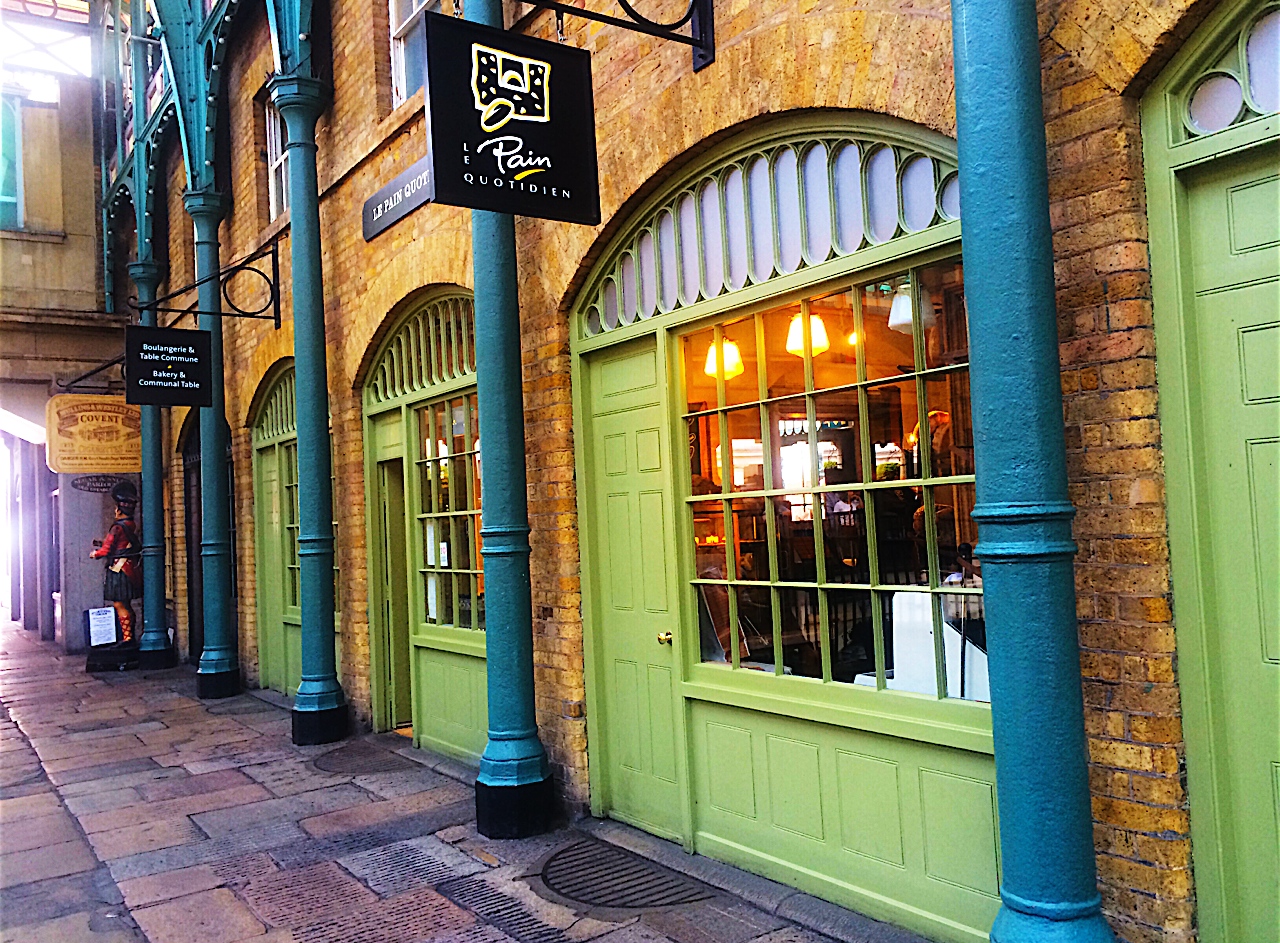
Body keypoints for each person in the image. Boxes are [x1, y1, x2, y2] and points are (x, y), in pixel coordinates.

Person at [90, 481, 142, 644]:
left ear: (120, 509)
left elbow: (106, 550)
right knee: (126, 603)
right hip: (129, 568)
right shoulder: (132, 525)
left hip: (118, 569)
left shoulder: (116, 528)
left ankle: (127, 638)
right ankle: (129, 636)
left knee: (120, 604)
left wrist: (95, 553)